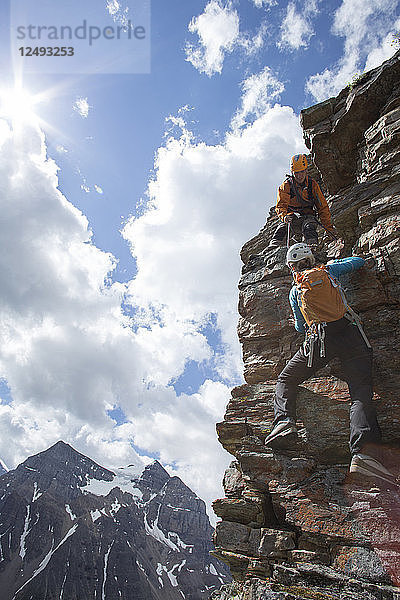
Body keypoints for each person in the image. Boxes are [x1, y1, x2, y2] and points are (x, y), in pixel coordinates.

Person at [264, 243, 395, 483]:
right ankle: (364, 456)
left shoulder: (295, 290)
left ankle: (283, 421)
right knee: (360, 392)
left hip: (319, 340)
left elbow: (300, 326)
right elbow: (358, 262)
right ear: (311, 258)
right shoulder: (329, 270)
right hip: (350, 333)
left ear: (292, 267)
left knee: (286, 378)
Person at [269, 154, 334, 248]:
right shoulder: (286, 186)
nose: (299, 176)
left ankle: (312, 248)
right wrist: (284, 217)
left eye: (301, 172)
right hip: (292, 218)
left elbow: (322, 207)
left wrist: (328, 229)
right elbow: (281, 206)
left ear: (306, 171)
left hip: (308, 217)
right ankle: (273, 250)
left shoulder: (312, 185)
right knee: (282, 229)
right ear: (292, 172)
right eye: (296, 173)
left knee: (309, 228)